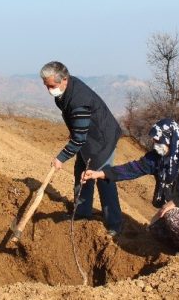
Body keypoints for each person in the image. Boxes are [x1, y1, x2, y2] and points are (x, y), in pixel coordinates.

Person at [82, 118, 179, 257]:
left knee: (172, 217)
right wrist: (101, 173)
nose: (156, 145)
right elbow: (135, 168)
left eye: (159, 141)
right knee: (156, 230)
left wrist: (174, 202)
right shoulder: (161, 156)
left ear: (171, 138)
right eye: (154, 141)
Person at [40, 61, 124, 236]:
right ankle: (82, 213)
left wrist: (60, 158)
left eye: (52, 86)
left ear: (64, 79)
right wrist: (76, 131)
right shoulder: (65, 91)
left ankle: (114, 225)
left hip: (102, 140)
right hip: (88, 137)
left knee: (103, 178)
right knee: (81, 172)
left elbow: (79, 139)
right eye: (46, 85)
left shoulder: (79, 99)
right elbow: (78, 132)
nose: (49, 90)